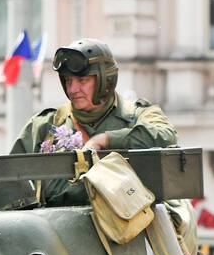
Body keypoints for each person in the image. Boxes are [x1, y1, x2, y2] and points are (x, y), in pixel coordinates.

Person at [11, 40, 178, 206]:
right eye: (68, 81)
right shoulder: (46, 125)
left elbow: (165, 135)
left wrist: (105, 140)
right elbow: (9, 179)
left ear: (105, 81)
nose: (73, 89)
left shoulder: (138, 115)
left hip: (124, 226)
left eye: (82, 81)